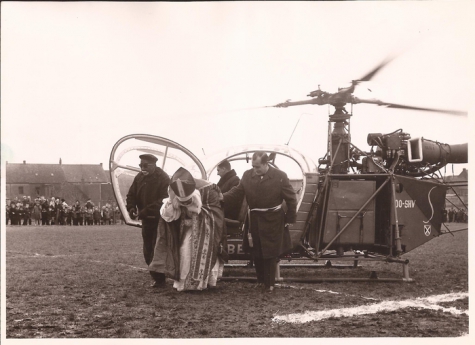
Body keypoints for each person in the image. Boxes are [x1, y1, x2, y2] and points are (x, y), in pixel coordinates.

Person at [223, 151, 297, 293]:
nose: (255, 170)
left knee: (270, 252)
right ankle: (261, 281)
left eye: (258, 167)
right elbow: (236, 192)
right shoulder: (246, 175)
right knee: (256, 251)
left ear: (266, 163)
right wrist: (220, 196)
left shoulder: (280, 176)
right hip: (255, 219)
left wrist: (289, 219)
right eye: (253, 166)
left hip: (273, 219)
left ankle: (270, 284)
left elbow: (291, 199)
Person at [149, 167, 226, 291]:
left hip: (205, 230)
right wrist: (172, 204)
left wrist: (197, 214)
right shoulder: (173, 190)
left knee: (196, 250)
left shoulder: (209, 190)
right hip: (185, 228)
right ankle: (184, 283)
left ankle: (202, 283)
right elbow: (169, 215)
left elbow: (215, 213)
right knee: (184, 251)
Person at [126, 154, 170, 287]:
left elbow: (164, 200)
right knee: (148, 249)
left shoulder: (163, 178)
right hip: (146, 220)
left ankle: (160, 278)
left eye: (145, 165)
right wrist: (131, 207)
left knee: (157, 249)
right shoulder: (139, 178)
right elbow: (131, 194)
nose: (142, 168)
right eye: (140, 165)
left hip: (159, 220)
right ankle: (156, 274)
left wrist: (146, 210)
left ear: (153, 165)